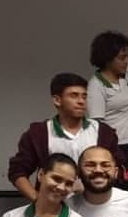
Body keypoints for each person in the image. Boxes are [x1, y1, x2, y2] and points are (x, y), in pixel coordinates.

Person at [9, 73, 121, 201]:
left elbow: (117, 170)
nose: (81, 101)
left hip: (96, 204)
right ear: (57, 100)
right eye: (74, 95)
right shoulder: (39, 133)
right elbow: (17, 171)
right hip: (54, 206)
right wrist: (38, 201)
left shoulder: (104, 132)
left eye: (84, 96)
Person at [87, 4, 128, 176]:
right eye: (122, 58)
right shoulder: (96, 86)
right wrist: (108, 159)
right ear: (108, 59)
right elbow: (97, 129)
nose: (127, 61)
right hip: (113, 149)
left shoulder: (127, 73)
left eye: (127, 56)